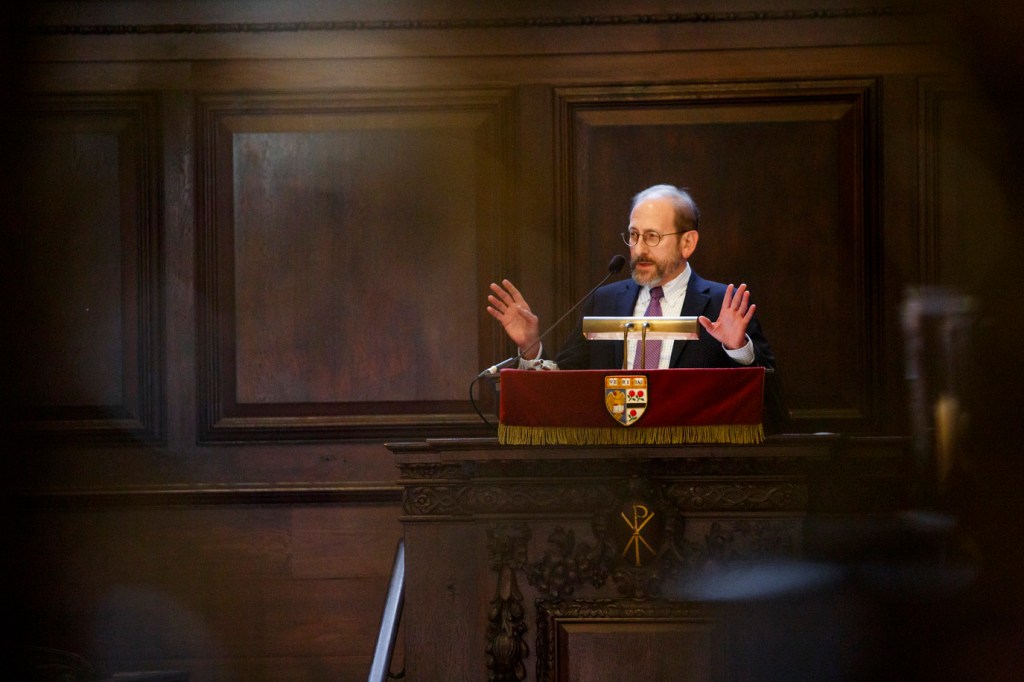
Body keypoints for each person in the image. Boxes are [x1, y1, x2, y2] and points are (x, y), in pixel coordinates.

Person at [487, 184, 776, 373]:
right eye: (634, 235)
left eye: (652, 237)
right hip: (614, 456)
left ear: (687, 243)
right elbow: (566, 381)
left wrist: (738, 350)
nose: (639, 249)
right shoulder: (605, 301)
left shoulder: (723, 304)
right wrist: (532, 347)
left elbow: (767, 396)